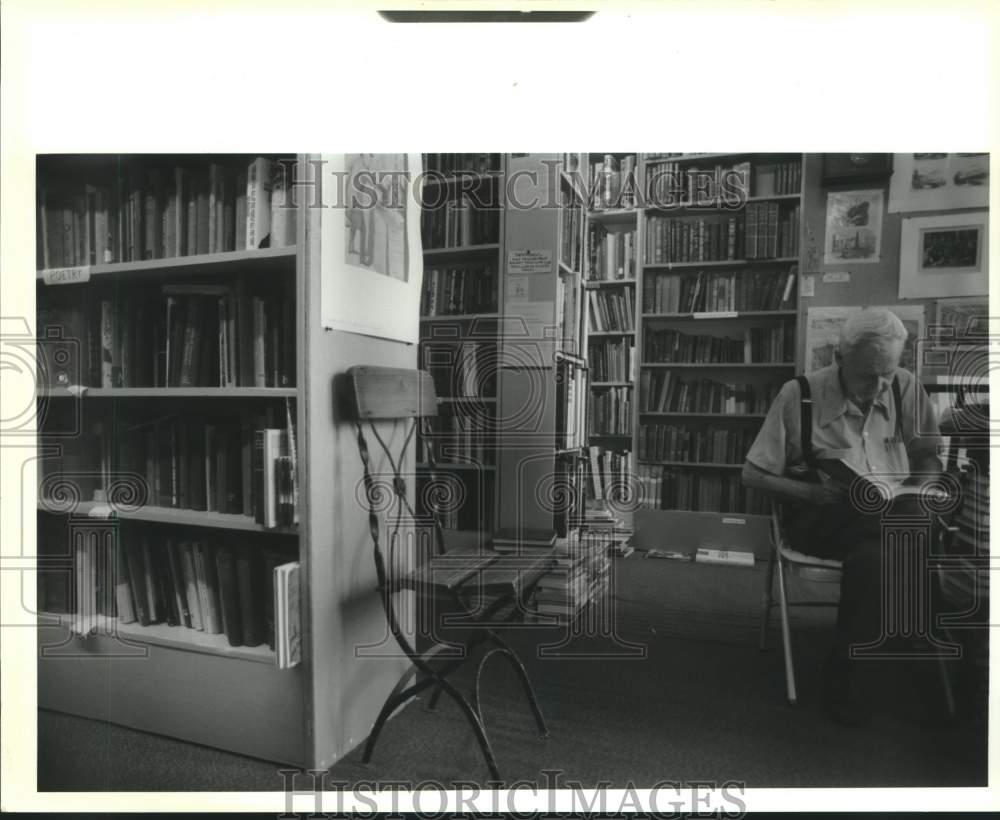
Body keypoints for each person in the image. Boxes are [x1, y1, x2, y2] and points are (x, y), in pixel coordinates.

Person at [742, 307, 945, 726]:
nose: (880, 386)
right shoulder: (798, 394)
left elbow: (928, 456)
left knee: (882, 550)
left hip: (888, 517)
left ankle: (847, 677)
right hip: (824, 513)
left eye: (888, 372)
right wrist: (810, 492)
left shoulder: (904, 387)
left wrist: (917, 489)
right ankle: (925, 660)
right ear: (839, 357)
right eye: (869, 376)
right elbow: (753, 474)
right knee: (910, 536)